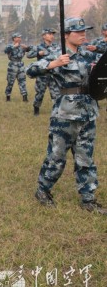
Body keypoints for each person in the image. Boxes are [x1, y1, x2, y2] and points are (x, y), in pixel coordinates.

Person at [27, 17, 106, 215]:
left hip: (88, 114)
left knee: (85, 159)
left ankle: (88, 199)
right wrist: (53, 63)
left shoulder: (88, 54)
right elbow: (30, 70)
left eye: (84, 31)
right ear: (66, 35)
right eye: (78, 32)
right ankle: (43, 190)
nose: (83, 35)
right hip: (64, 116)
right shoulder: (57, 54)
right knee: (56, 157)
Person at [26, 28, 60, 116]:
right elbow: (28, 55)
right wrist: (38, 54)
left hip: (54, 74)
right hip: (42, 75)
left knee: (56, 94)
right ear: (44, 36)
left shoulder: (56, 46)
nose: (52, 36)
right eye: (50, 34)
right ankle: (36, 109)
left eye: (53, 34)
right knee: (40, 93)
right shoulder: (38, 47)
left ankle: (57, 112)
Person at [4, 32, 29, 102]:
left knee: (22, 81)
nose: (19, 39)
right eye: (18, 37)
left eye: (20, 37)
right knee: (10, 82)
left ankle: (25, 96)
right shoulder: (10, 46)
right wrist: (14, 46)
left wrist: (27, 47)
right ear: (14, 38)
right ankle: (8, 96)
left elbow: (30, 50)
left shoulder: (22, 46)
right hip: (12, 65)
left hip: (20, 64)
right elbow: (5, 51)